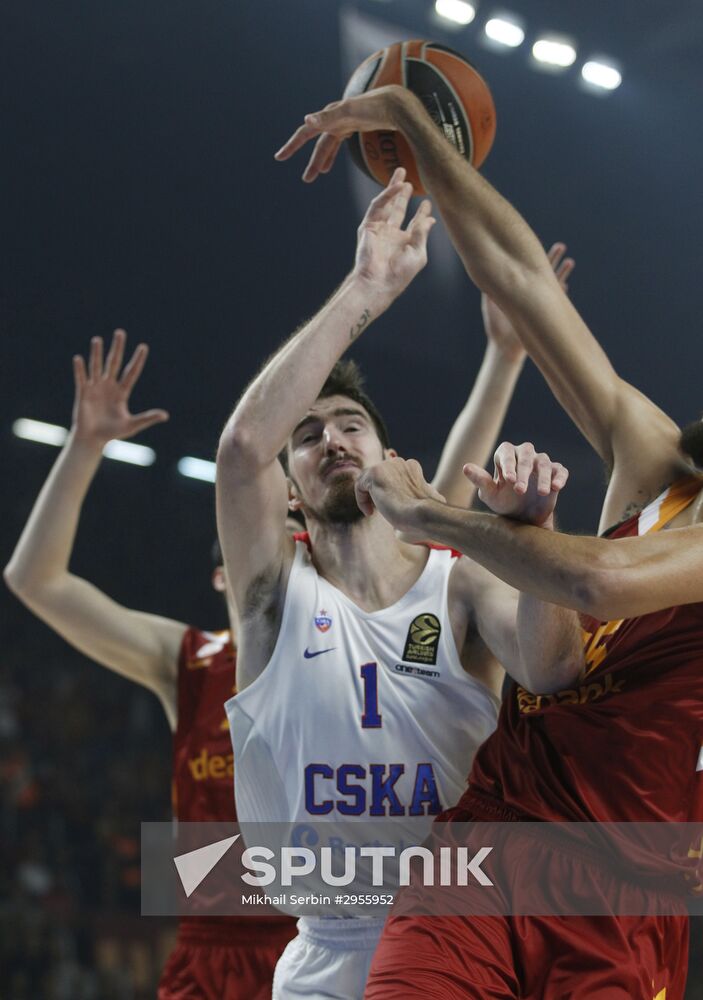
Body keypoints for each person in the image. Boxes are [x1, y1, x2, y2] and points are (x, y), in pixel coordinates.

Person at [277, 84, 703, 999]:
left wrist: (430, 516)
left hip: (622, 891)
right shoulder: (660, 467)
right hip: (488, 839)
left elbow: (595, 582)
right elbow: (518, 276)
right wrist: (420, 135)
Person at [216, 172, 584, 999]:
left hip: (460, 936)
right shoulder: (274, 598)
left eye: (351, 425)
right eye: (306, 435)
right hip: (325, 952)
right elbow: (242, 450)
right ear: (288, 489)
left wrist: (532, 541)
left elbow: (554, 667)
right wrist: (367, 288)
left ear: (386, 457)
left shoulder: (457, 588)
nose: (331, 439)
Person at [3, 330, 297, 1000]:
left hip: (319, 943)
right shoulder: (190, 662)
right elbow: (35, 580)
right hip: (210, 953)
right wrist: (83, 449)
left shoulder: (350, 650)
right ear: (224, 579)